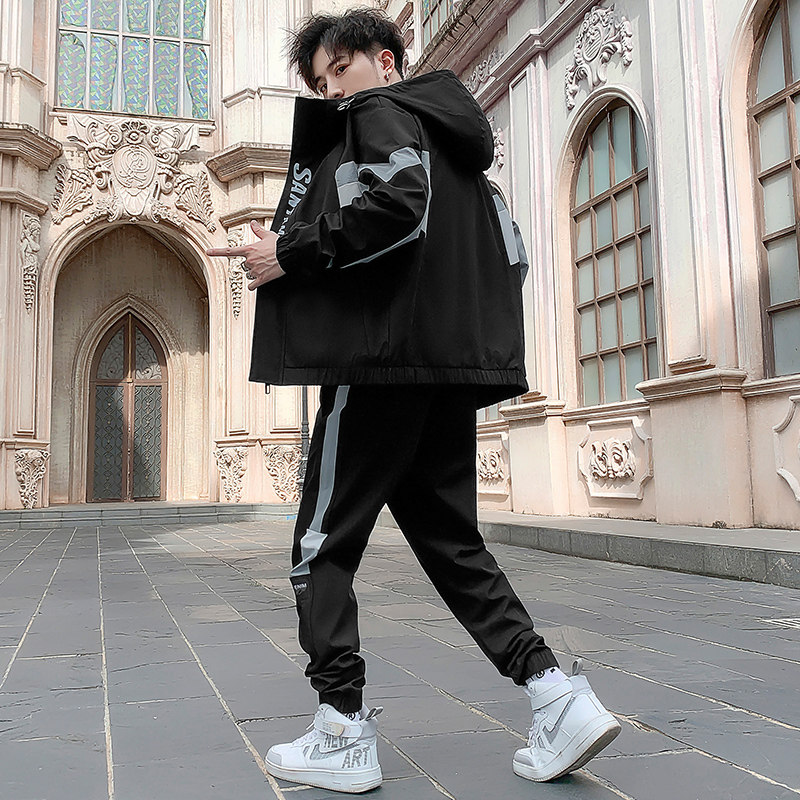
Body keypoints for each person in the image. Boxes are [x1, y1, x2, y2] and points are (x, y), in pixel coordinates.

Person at [206, 8, 620, 793]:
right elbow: (505, 253)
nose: (335, 92)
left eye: (342, 69)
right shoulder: (458, 142)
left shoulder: (380, 112)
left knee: (320, 545)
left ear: (387, 62)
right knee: (452, 544)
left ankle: (341, 727)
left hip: (380, 365)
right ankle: (554, 694)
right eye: (322, 83)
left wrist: (288, 250)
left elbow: (398, 201)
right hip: (443, 369)